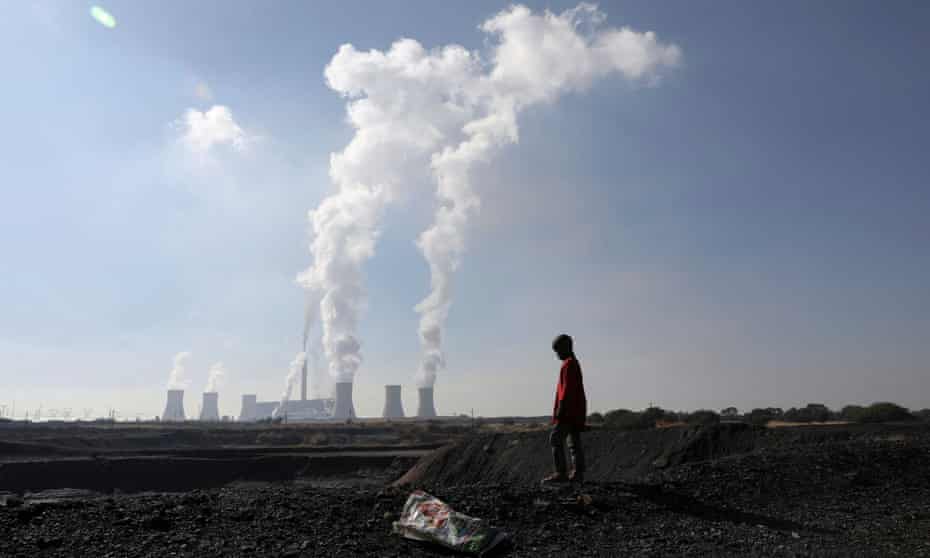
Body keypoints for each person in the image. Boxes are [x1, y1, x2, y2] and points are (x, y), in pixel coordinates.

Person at [542, 333, 587, 484]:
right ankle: (578, 474)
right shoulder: (574, 363)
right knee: (574, 442)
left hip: (568, 411)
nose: (557, 354)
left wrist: (560, 410)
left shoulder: (568, 364)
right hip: (576, 411)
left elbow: (566, 391)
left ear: (565, 348)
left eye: (557, 350)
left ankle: (561, 473)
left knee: (555, 438)